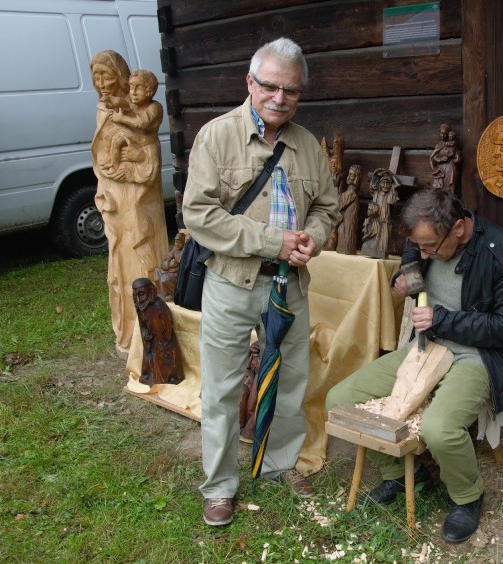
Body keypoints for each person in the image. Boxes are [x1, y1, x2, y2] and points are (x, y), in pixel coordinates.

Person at [181, 38, 338, 527]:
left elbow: (327, 208)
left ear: (300, 93)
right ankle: (220, 486)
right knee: (223, 390)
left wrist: (312, 237)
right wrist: (275, 241)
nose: (278, 97)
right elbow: (199, 215)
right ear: (249, 83)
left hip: (289, 285)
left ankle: (279, 465)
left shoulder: (309, 145)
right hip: (231, 282)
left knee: (291, 382)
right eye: (269, 85)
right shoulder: (216, 137)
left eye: (290, 90)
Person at [327, 188, 503, 544]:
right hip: (424, 347)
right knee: (339, 398)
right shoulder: (426, 239)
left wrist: (442, 319)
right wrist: (408, 275)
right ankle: (401, 473)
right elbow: (413, 251)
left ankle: (468, 497)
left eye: (430, 248)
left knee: (440, 429)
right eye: (419, 246)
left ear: (457, 228)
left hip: (478, 355)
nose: (425, 254)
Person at [90, 51, 168, 354]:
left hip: (138, 199)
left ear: (120, 76)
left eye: (106, 75)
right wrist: (107, 174)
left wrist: (128, 160)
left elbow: (148, 158)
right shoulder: (105, 109)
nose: (101, 83)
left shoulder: (145, 111)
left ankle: (151, 328)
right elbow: (99, 151)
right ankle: (128, 331)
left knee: (143, 254)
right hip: (115, 197)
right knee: (119, 258)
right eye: (96, 77)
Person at [105, 70, 163, 173]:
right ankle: (113, 164)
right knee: (112, 137)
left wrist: (121, 118)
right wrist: (114, 111)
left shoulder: (154, 107)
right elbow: (125, 110)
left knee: (118, 139)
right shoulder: (133, 105)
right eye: (131, 87)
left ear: (149, 91)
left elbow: (141, 123)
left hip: (146, 143)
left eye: (139, 88)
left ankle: (115, 166)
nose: (134, 92)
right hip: (136, 139)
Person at [132, 278, 185, 386]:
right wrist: (146, 334)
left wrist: (163, 340)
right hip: (151, 341)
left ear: (150, 291)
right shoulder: (141, 307)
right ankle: (150, 376)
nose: (139, 299)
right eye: (135, 295)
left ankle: (169, 378)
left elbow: (168, 325)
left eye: (141, 294)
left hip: (163, 342)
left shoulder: (159, 306)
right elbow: (143, 326)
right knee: (149, 358)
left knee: (165, 359)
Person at [360, 168, 400, 259]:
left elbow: (397, 185)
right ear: (380, 184)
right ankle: (371, 250)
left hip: (384, 220)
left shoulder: (389, 195)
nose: (385, 185)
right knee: (373, 237)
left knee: (383, 240)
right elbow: (373, 183)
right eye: (383, 183)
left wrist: (392, 177)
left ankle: (380, 252)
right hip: (375, 218)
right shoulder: (376, 193)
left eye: (388, 183)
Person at [335, 164, 361, 255]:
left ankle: (347, 248)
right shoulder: (351, 191)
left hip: (348, 225)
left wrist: (337, 185)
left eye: (352, 175)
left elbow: (338, 203)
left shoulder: (351, 192)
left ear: (356, 177)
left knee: (345, 233)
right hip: (345, 223)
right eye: (349, 174)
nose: (349, 177)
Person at [153, 231, 186, 302]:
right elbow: (170, 256)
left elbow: (181, 264)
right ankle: (160, 292)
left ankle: (169, 295)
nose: (177, 244)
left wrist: (172, 265)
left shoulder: (185, 250)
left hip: (179, 272)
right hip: (171, 268)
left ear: (183, 242)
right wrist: (167, 262)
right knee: (157, 271)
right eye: (175, 242)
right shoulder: (175, 247)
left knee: (165, 278)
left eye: (179, 242)